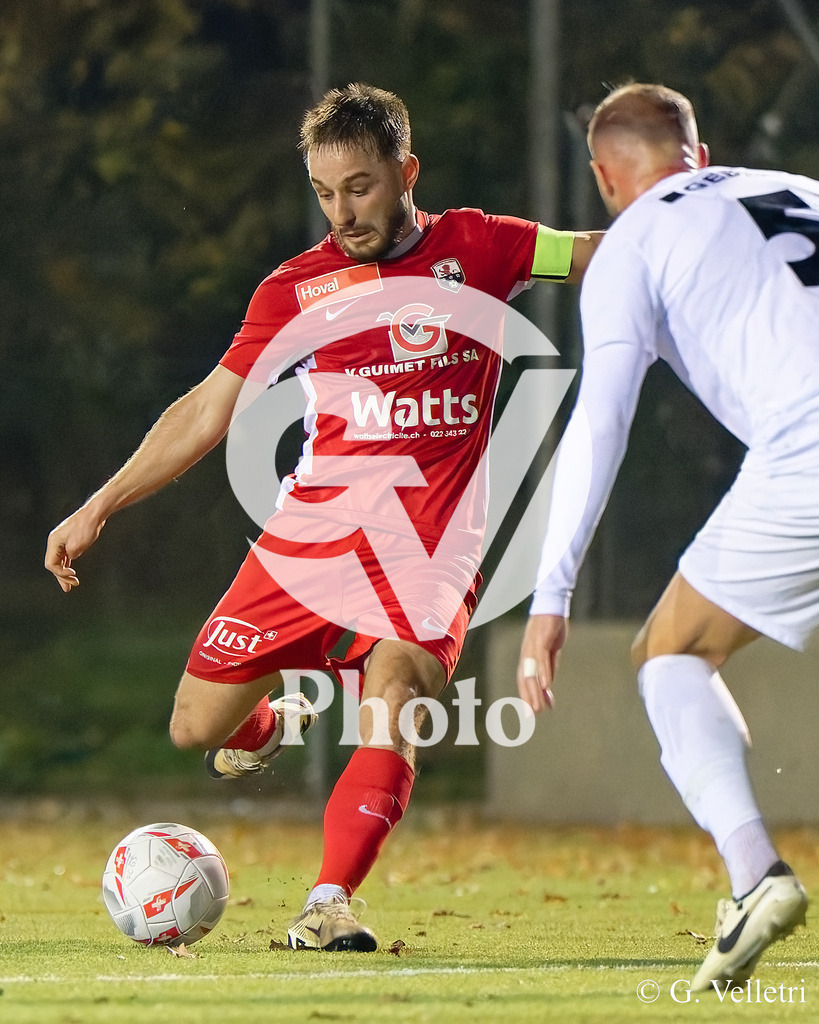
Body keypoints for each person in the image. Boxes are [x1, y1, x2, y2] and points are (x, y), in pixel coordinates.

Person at [45, 83, 599, 952]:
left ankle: (330, 899)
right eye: (325, 193)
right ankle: (276, 719)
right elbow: (205, 412)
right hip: (309, 546)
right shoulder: (296, 289)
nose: (342, 211)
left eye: (362, 187)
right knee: (196, 728)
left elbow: (594, 253)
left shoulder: (482, 247)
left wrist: (694, 221)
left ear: (405, 172)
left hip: (428, 554)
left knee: (396, 692)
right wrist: (99, 503)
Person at [518, 81, 817, 991]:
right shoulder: (796, 186)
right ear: (699, 147)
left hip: (807, 448)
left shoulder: (632, 240)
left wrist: (549, 593)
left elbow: (598, 422)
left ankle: (753, 877)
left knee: (670, 651)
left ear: (607, 177)